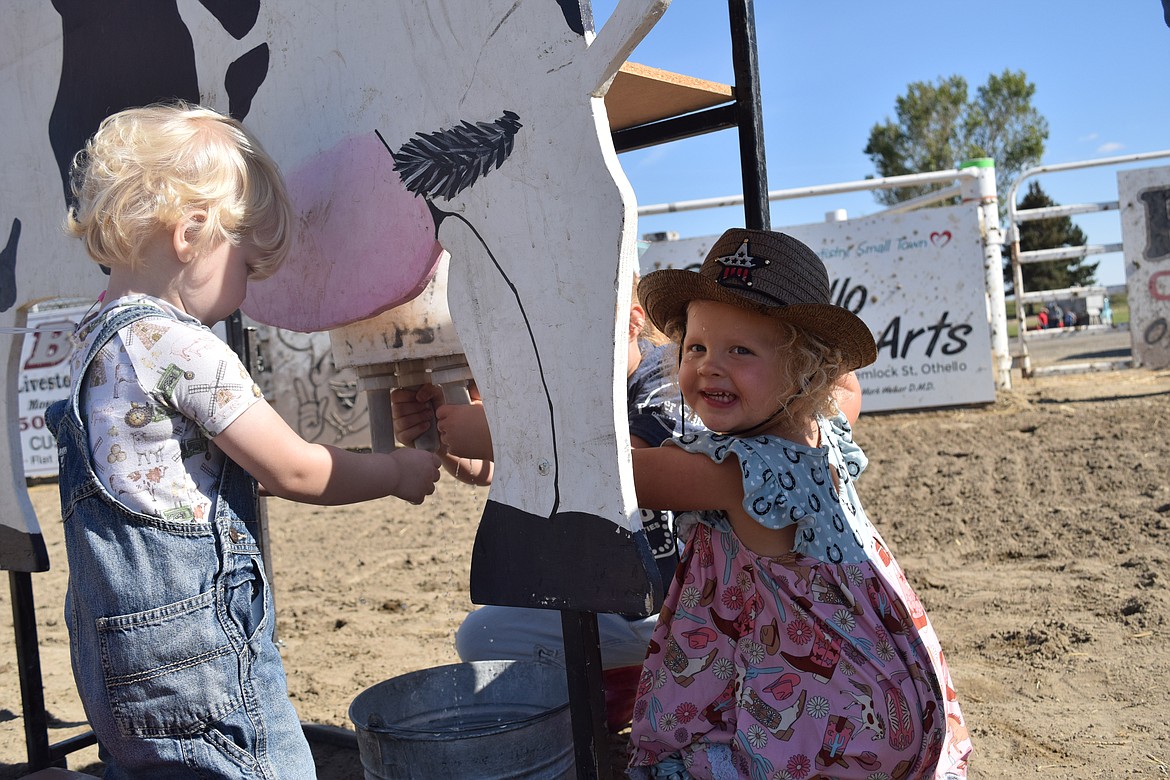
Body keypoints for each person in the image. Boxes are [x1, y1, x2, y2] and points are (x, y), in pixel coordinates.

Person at [45, 103, 442, 778]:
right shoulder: (179, 345)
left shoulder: (92, 339)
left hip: (110, 657)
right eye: (248, 266)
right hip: (193, 659)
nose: (246, 292)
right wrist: (397, 472)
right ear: (193, 232)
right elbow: (293, 470)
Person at [625, 229, 971, 779]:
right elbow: (849, 392)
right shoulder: (820, 431)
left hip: (828, 707)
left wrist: (508, 433)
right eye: (697, 347)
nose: (710, 366)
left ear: (804, 372)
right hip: (874, 682)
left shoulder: (739, 474)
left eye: (741, 350)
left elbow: (620, 472)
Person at [390, 276, 701, 731]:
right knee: (483, 636)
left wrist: (503, 436)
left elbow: (618, 471)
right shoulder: (568, 386)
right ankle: (622, 693)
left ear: (634, 322)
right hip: (613, 603)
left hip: (683, 609)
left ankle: (647, 686)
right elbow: (496, 472)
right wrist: (443, 438)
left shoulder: (665, 377)